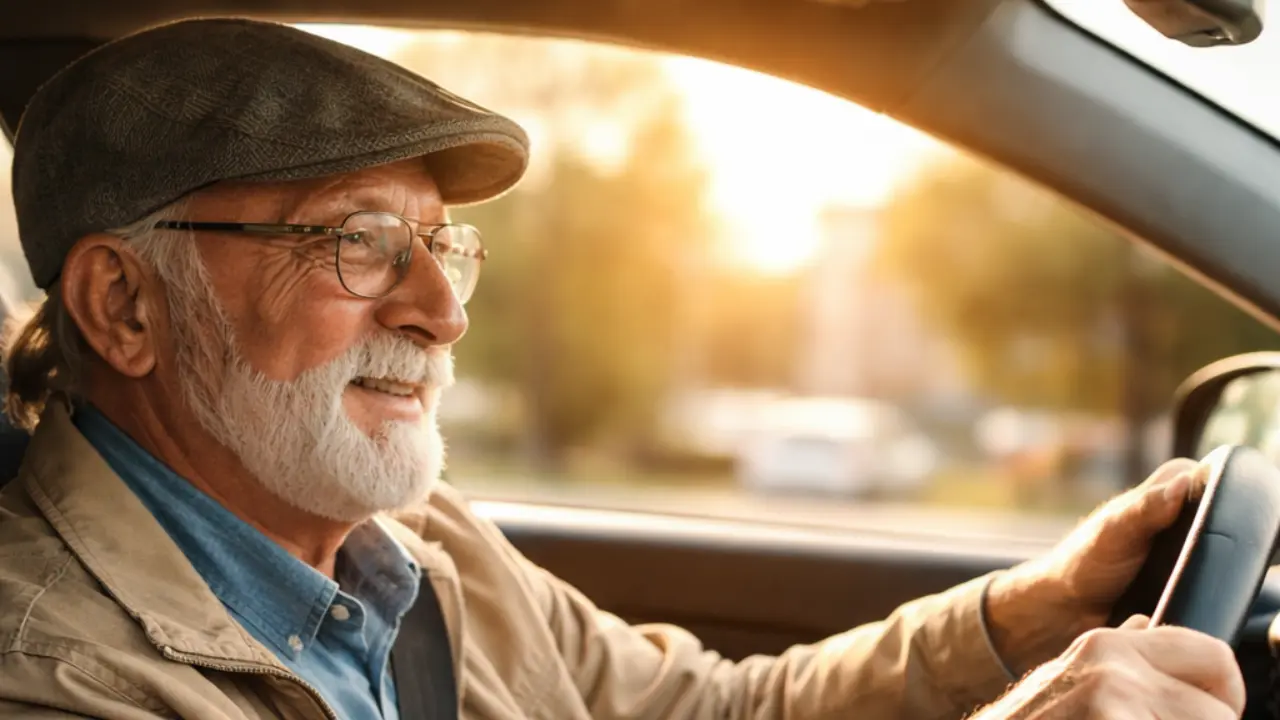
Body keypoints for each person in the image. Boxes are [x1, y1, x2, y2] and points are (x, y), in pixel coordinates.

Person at [0, 17, 1244, 720]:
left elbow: (708, 713)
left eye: (441, 248)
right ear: (125, 305)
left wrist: (1027, 616)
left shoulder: (421, 545)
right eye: (361, 243)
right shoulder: (50, 673)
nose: (441, 309)